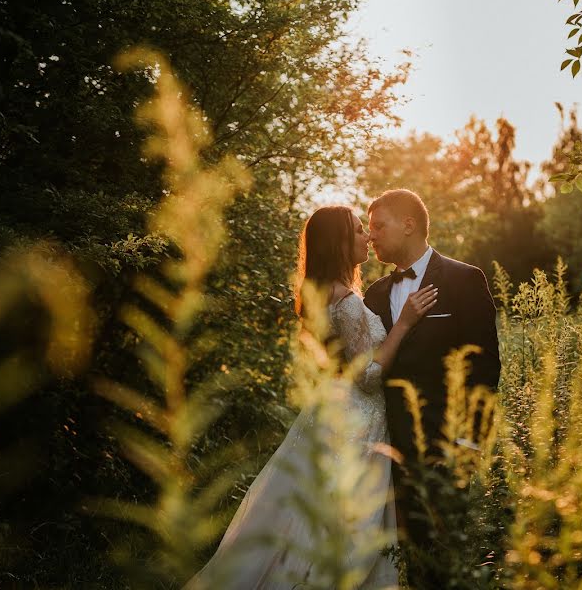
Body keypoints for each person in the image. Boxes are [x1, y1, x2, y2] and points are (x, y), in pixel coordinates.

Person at [184, 205, 438, 590]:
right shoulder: (347, 300)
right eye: (357, 230)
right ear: (338, 241)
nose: (367, 237)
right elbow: (367, 376)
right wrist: (403, 324)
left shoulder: (321, 292)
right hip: (357, 424)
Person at [363, 189, 501, 586]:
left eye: (378, 226)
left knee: (444, 559)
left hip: (445, 447)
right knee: (407, 560)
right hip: (387, 451)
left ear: (409, 225)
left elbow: (484, 368)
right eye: (368, 229)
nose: (371, 236)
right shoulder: (374, 294)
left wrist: (470, 443)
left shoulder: (463, 280)